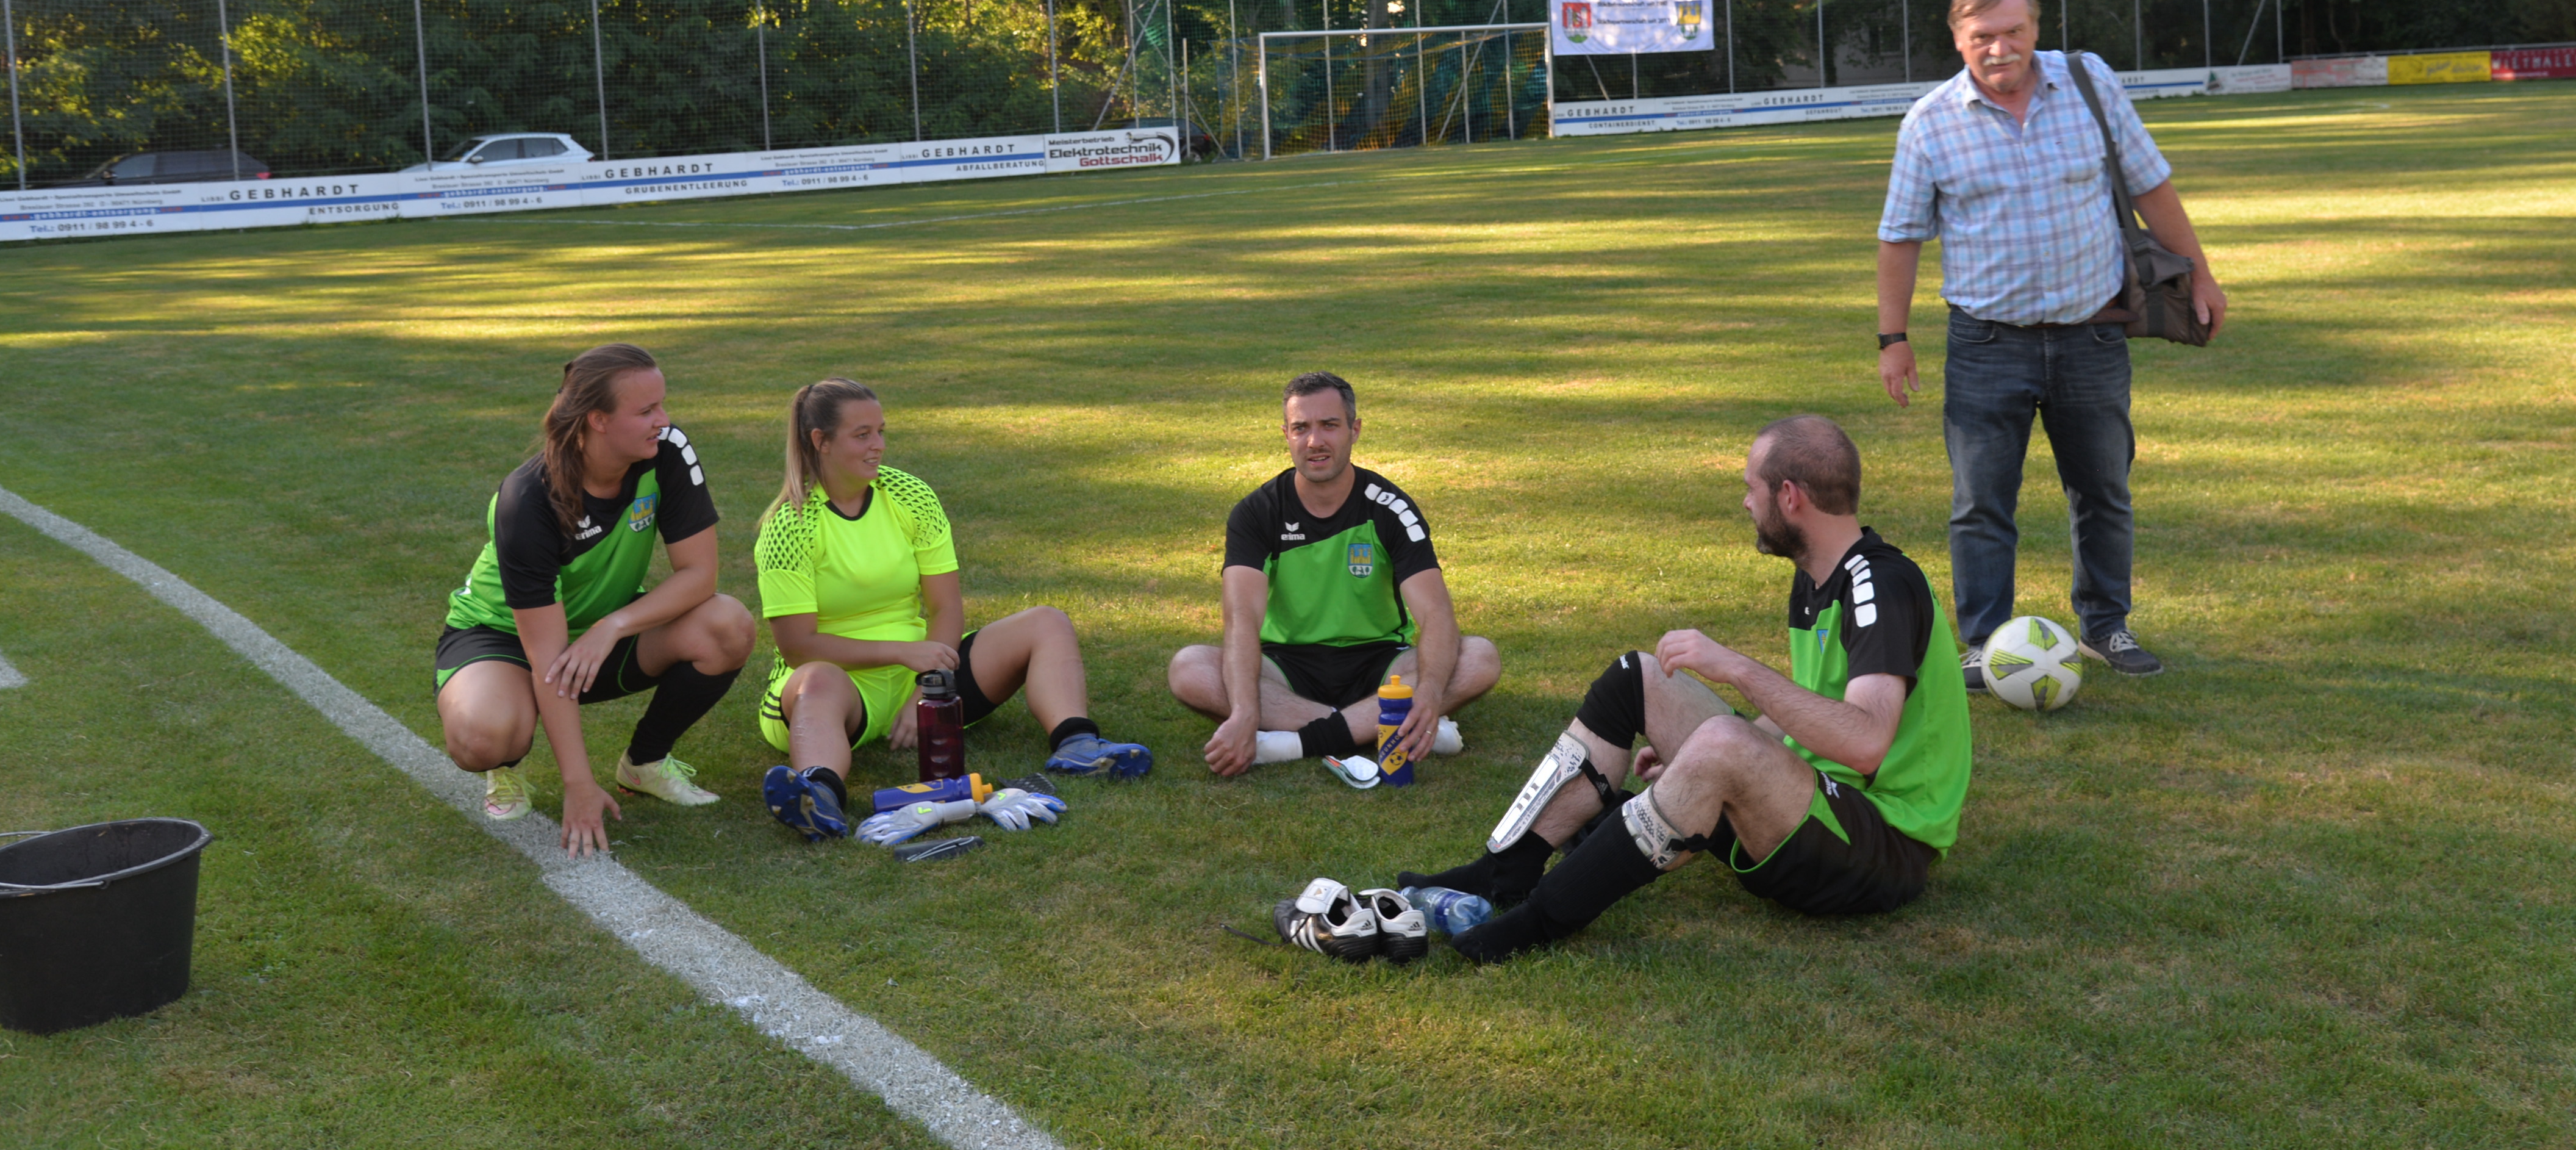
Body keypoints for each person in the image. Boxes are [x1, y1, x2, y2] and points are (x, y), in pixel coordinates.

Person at [1368, 415, 1967, 965]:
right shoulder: (1819, 578)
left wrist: (1736, 671)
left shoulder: (1879, 587)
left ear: (1790, 496)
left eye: (1752, 487)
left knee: (1724, 741)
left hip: (1882, 846)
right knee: (1642, 674)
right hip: (1818, 808)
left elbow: (1864, 741)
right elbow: (1809, 709)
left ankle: (1536, 920)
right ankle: (1504, 872)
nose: (1745, 500)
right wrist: (1699, 754)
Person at [1875, 0, 2228, 683]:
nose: (2000, 48)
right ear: (1958, 39)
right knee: (1981, 504)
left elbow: (2152, 183)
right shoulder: (1931, 121)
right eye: (1983, 37)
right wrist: (1894, 337)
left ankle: (2107, 626)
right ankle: (1984, 642)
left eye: (2013, 31)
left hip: (2090, 334)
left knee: (2102, 489)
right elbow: (1900, 236)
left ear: (2036, 27)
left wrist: (2204, 273)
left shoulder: (2089, 83)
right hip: (1985, 343)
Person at [754, 378, 1151, 840]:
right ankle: (819, 795)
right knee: (819, 678)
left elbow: (946, 608)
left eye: (881, 431)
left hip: (923, 668)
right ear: (820, 442)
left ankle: (1078, 745)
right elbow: (799, 646)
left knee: (1047, 622)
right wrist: (904, 655)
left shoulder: (910, 495)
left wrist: (927, 691)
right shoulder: (789, 525)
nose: (878, 446)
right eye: (862, 435)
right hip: (832, 686)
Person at [434, 343, 756, 858]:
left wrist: (613, 626)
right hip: (506, 639)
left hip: (598, 634)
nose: (664, 421)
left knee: (728, 624)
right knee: (483, 736)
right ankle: (506, 762)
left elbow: (700, 576)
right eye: (647, 411)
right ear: (597, 421)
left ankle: (644, 763)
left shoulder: (668, 451)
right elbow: (547, 657)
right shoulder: (527, 499)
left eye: (663, 406)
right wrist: (577, 785)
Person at [1168, 372, 1498, 777]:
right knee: (1189, 668)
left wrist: (1428, 694)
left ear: (1354, 430)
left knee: (1480, 658)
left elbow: (1436, 615)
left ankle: (1292, 742)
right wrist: (1242, 710)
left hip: (1379, 665)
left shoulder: (1390, 508)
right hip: (1286, 668)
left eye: (1329, 425)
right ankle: (1381, 727)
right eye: (1301, 428)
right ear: (1285, 434)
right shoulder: (1256, 513)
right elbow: (1241, 621)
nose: (1315, 441)